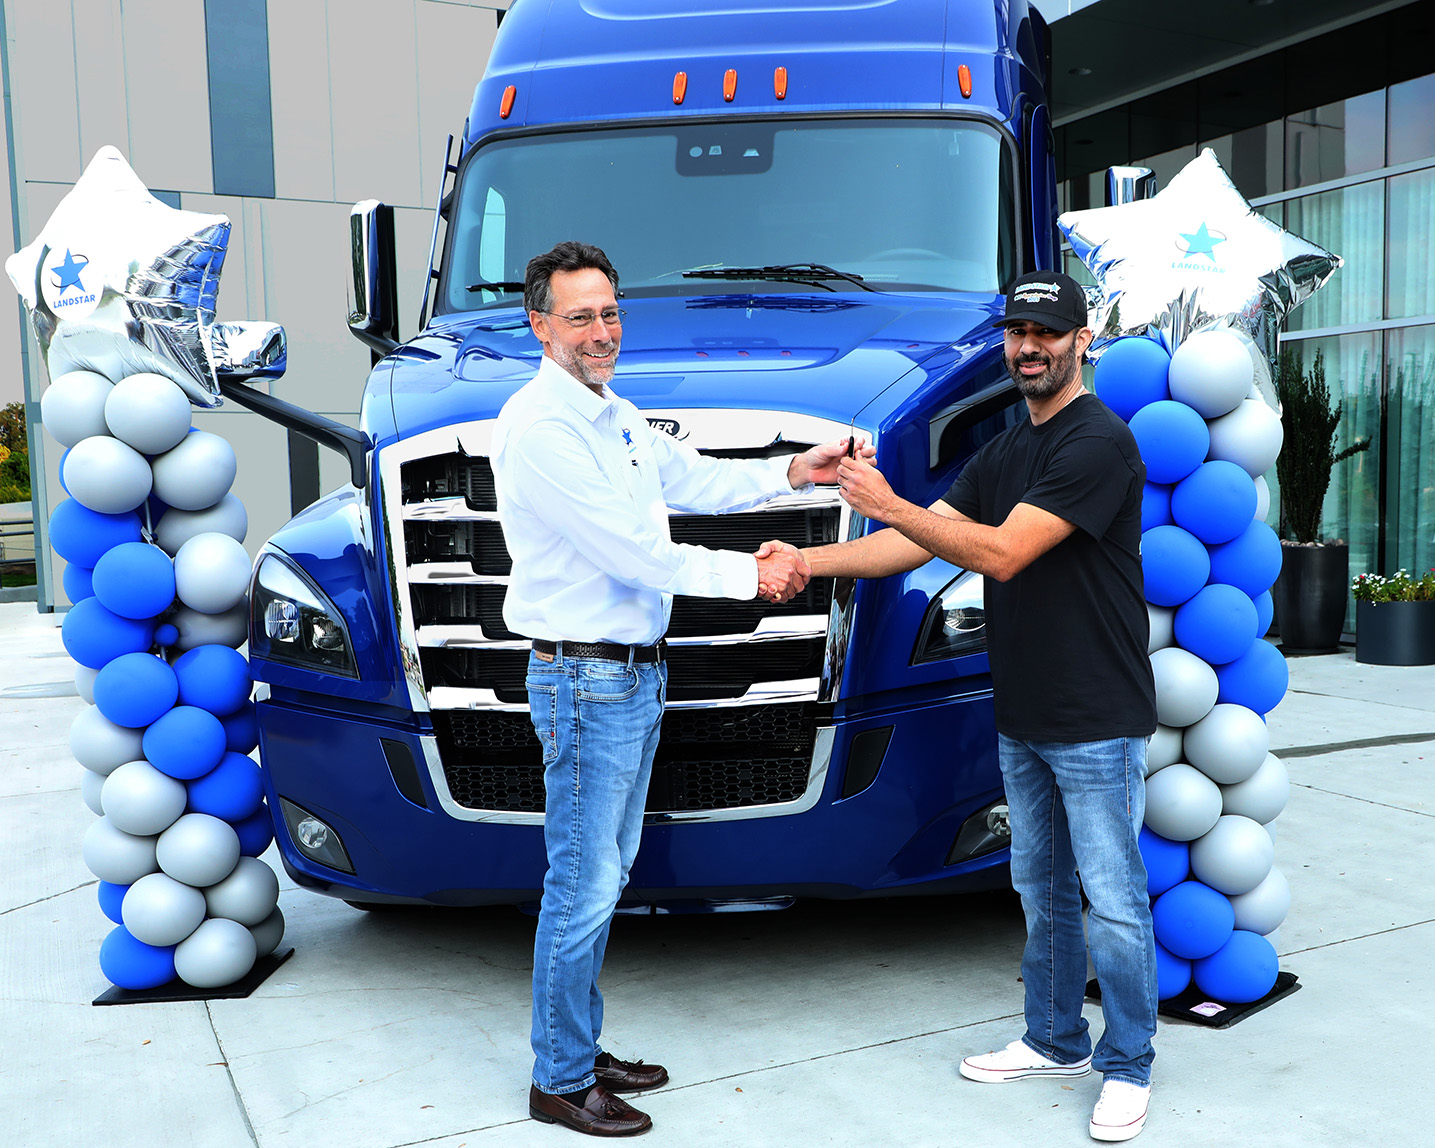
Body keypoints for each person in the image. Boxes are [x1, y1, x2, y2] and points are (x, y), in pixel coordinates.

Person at [492, 240, 867, 1137]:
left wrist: (794, 472)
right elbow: (630, 553)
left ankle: (577, 1044)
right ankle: (558, 1078)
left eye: (610, 312)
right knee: (581, 883)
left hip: (626, 677)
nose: (600, 331)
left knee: (604, 875)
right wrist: (760, 578)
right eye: (579, 316)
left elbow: (689, 478)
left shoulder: (609, 412)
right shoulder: (542, 427)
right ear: (540, 326)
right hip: (585, 679)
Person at [798, 271, 1159, 1142]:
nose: (1028, 346)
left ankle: (1128, 1064)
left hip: (1096, 714)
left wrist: (889, 501)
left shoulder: (1096, 443)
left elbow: (1000, 553)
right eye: (1016, 332)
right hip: (1025, 711)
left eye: (1046, 332)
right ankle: (1054, 1039)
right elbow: (900, 543)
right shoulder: (1007, 449)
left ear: (1080, 341)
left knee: (1109, 896)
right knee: (1037, 885)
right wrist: (805, 565)